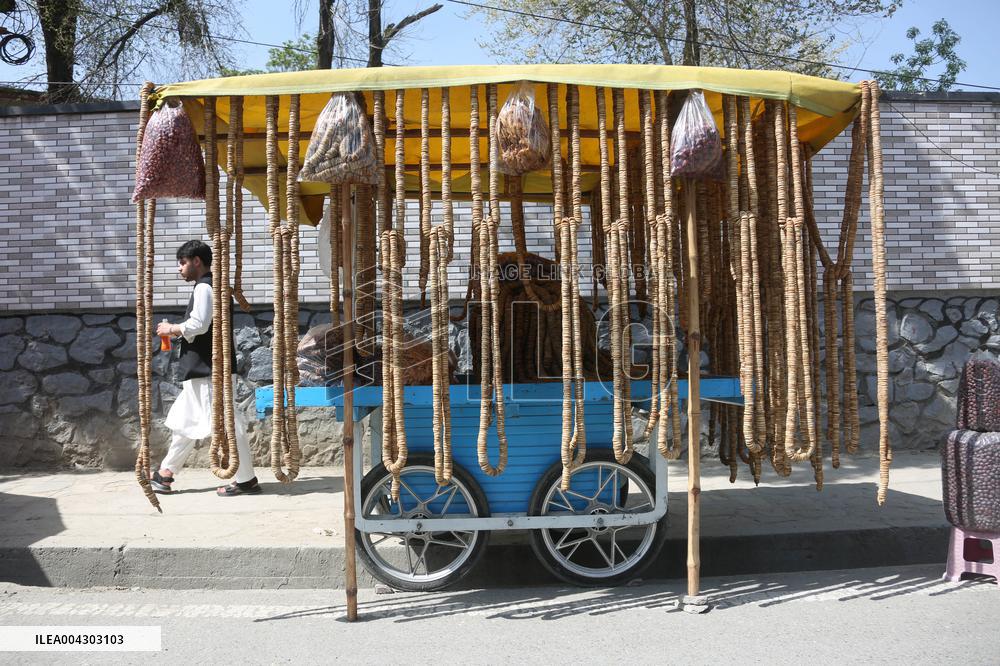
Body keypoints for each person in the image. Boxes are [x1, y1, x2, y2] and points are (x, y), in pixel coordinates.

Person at [151, 240, 261, 497]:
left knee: (228, 424)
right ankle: (166, 473)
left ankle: (245, 479)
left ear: (196, 261)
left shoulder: (204, 287)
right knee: (187, 420)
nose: (180, 269)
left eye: (182, 263)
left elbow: (199, 324)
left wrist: (172, 329)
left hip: (210, 370)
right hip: (205, 369)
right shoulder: (211, 287)